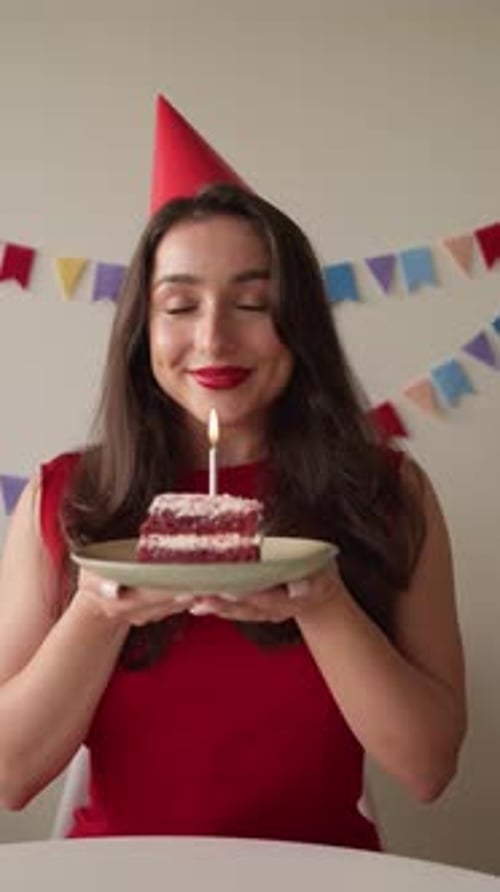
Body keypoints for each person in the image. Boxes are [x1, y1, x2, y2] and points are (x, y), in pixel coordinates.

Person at [0, 183, 466, 849]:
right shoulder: (66, 497)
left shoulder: (387, 493)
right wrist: (99, 611)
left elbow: (429, 768)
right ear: (143, 329)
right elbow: (9, 777)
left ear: (299, 323)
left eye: (253, 303)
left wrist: (322, 601)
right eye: (180, 305)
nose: (213, 337)